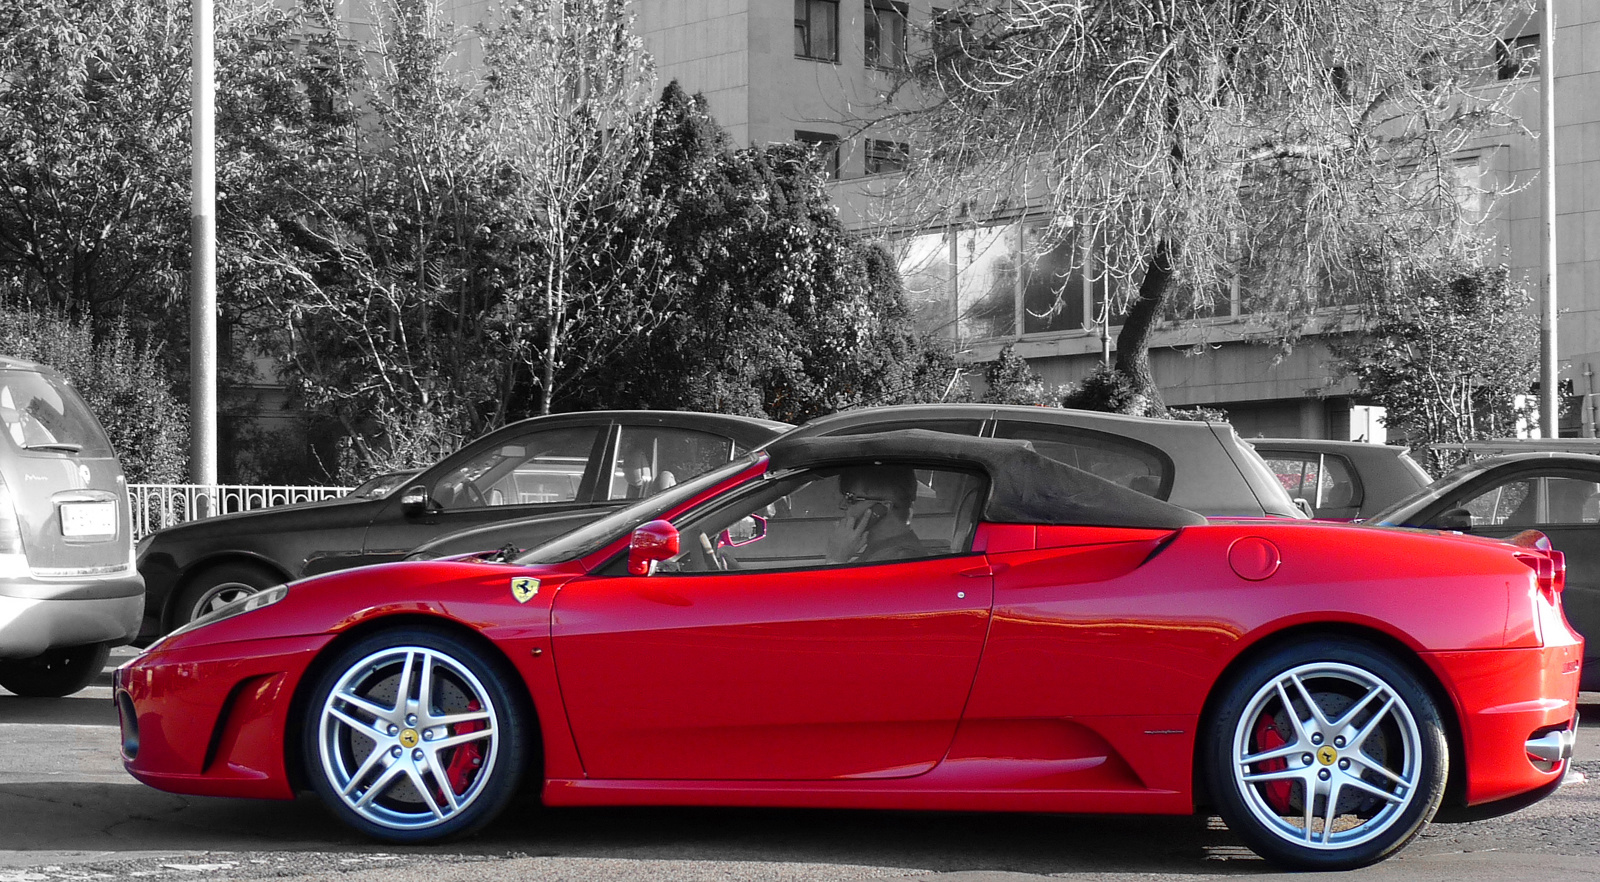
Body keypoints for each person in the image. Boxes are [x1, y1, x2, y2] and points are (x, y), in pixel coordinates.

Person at [825, 466, 925, 564]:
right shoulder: (880, 550)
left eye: (850, 498)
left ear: (882, 507)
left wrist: (836, 558)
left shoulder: (899, 559)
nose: (842, 505)